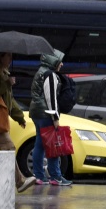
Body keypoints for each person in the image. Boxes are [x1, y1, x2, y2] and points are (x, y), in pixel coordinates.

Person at [0, 52, 35, 192]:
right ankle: (20, 181)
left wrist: (19, 117)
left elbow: (9, 100)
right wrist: (6, 83)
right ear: (0, 57)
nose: (10, 59)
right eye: (8, 56)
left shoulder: (4, 72)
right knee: (8, 148)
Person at [29, 49, 69, 186]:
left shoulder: (40, 71)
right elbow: (50, 98)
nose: (62, 64)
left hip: (36, 113)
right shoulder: (50, 75)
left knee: (40, 144)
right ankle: (56, 177)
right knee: (53, 145)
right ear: (53, 60)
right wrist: (55, 117)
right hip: (46, 114)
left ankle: (39, 176)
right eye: (60, 61)